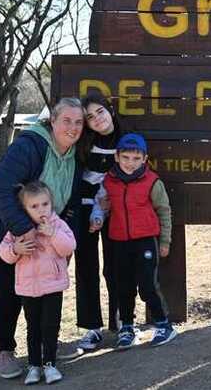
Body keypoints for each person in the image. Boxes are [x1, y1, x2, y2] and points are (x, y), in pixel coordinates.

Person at [0, 98, 84, 379]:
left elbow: (71, 201)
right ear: (52, 121)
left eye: (78, 122)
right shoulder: (29, 146)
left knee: (45, 287)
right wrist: (22, 230)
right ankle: (4, 350)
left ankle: (46, 345)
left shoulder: (74, 156)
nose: (73, 127)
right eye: (66, 120)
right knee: (10, 287)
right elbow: (4, 190)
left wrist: (61, 238)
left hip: (43, 231)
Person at [90, 132, 177, 349]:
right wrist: (98, 216)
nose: (131, 163)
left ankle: (164, 325)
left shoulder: (152, 181)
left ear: (144, 159)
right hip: (119, 241)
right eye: (126, 158)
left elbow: (164, 211)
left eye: (136, 159)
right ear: (117, 157)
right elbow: (101, 204)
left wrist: (165, 241)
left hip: (146, 241)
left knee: (148, 285)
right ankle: (127, 327)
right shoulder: (109, 180)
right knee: (123, 287)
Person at [0, 182, 76, 385]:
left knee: (50, 326)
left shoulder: (57, 224)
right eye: (34, 206)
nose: (41, 209)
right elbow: (4, 253)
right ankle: (34, 365)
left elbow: (69, 247)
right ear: (24, 209)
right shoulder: (17, 229)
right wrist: (16, 249)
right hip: (28, 288)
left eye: (45, 204)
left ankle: (50, 364)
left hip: (53, 285)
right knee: (33, 327)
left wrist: (53, 234)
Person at [72, 93, 122, 352]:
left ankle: (122, 322)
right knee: (86, 267)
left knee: (115, 266)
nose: (97, 119)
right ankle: (92, 328)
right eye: (90, 117)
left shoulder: (126, 138)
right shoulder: (84, 142)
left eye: (100, 112)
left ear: (110, 110)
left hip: (114, 209)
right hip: (83, 210)